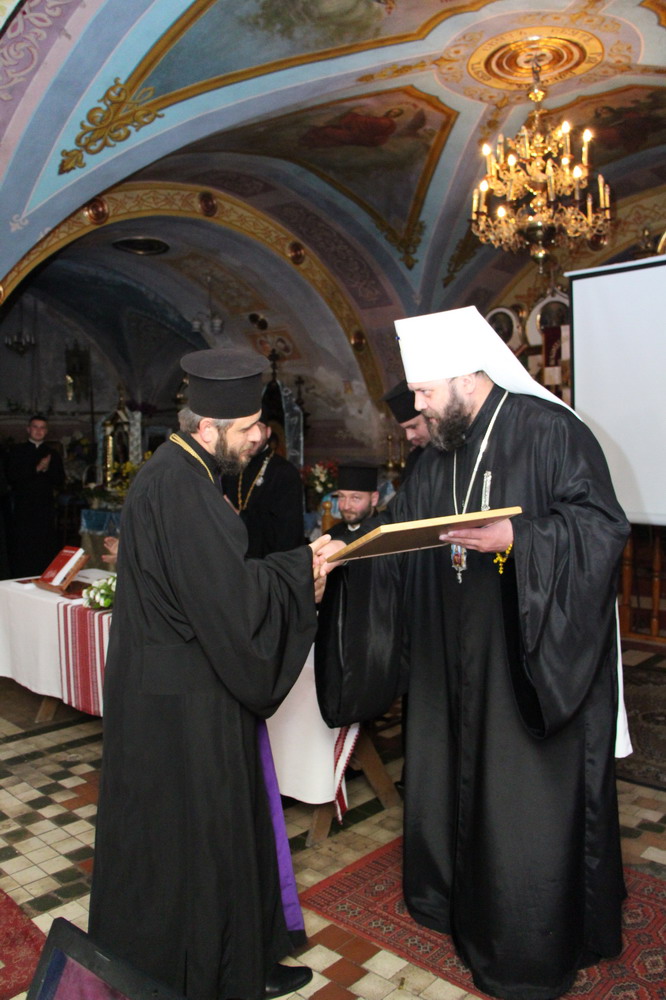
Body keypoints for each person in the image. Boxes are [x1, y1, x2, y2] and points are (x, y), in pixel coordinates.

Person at [315, 306, 631, 1000]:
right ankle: (451, 900)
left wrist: (517, 541)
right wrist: (346, 549)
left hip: (524, 655)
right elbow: (401, 527)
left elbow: (600, 528)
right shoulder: (441, 451)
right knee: (452, 772)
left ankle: (527, 939)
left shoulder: (549, 430)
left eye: (425, 391)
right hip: (451, 650)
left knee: (517, 798)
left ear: (466, 374)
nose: (419, 406)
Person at [89, 346, 327, 1000]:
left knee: (229, 826)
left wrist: (290, 569)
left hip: (186, 687)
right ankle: (206, 974)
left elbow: (217, 584)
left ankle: (247, 956)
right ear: (208, 428)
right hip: (183, 704)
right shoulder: (182, 487)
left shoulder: (184, 473)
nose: (260, 437)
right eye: (249, 427)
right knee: (199, 841)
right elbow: (230, 603)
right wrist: (300, 570)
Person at [222, 412, 305, 558]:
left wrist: (240, 516)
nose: (251, 436)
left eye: (257, 427)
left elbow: (288, 530)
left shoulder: (285, 472)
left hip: (268, 561)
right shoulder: (231, 468)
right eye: (245, 429)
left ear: (268, 432)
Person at [6, 413, 65, 576]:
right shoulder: (17, 451)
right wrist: (36, 468)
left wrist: (47, 469)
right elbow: (12, 476)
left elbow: (60, 480)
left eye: (42, 428)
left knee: (44, 543)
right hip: (24, 506)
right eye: (35, 427)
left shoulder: (52, 453)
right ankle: (22, 574)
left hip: (44, 506)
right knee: (23, 542)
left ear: (46, 431)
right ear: (28, 429)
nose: (39, 431)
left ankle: (44, 574)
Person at [381, 379, 430, 482]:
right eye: (405, 429)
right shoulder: (415, 459)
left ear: (432, 418)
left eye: (413, 427)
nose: (409, 436)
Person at [328, 464, 379, 545]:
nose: (346, 506)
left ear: (374, 499)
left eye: (355, 498)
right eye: (342, 496)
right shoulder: (331, 536)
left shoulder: (385, 536)